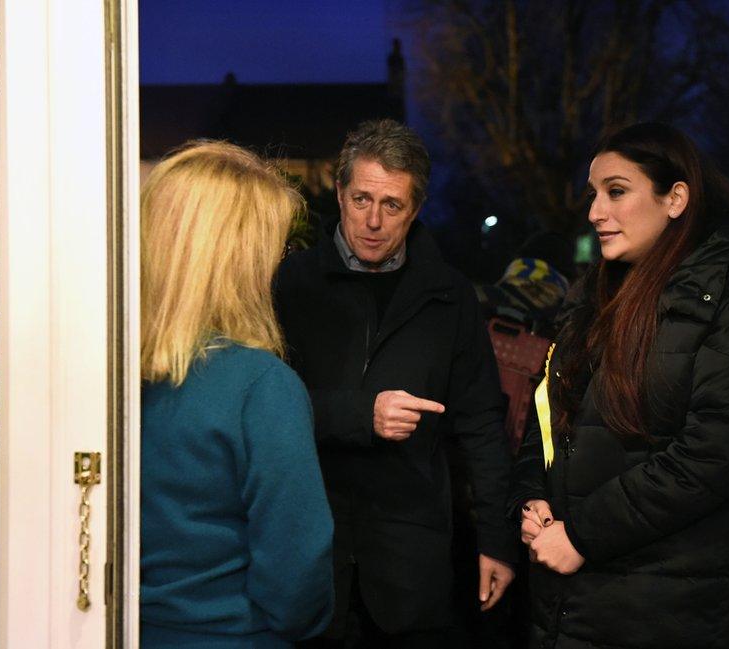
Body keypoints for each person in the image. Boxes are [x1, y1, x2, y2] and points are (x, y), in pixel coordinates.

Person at [275, 119, 517, 647]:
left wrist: (497, 541)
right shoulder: (290, 285)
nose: (373, 221)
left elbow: (481, 425)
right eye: (361, 198)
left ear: (417, 208)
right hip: (313, 550)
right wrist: (362, 415)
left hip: (412, 559)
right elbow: (267, 414)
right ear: (338, 193)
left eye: (393, 206)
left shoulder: (450, 297)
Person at [509, 122, 729, 649]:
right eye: (593, 194)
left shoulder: (723, 295)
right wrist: (530, 497)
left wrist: (584, 533)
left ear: (676, 198)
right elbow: (547, 421)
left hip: (662, 608)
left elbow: (713, 453)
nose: (594, 212)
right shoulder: (592, 298)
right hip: (570, 602)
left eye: (616, 191)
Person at [140, 141, 334, 648]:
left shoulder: (101, 375)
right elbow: (298, 572)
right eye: (275, 247)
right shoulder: (260, 387)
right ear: (238, 259)